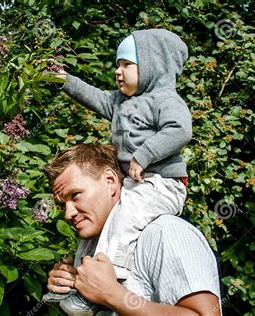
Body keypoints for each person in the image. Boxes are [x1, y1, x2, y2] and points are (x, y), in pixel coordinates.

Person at [53, 28, 192, 281]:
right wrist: (64, 79)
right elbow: (93, 95)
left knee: (126, 220)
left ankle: (111, 278)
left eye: (127, 64)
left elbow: (180, 130)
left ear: (153, 67)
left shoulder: (164, 99)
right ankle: (81, 278)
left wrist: (144, 155)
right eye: (118, 65)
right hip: (134, 183)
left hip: (162, 183)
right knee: (103, 224)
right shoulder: (120, 101)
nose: (118, 71)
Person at [44, 144, 221, 315]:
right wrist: (69, 284)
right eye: (62, 205)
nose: (68, 214)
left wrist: (112, 294)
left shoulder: (165, 232)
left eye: (75, 195)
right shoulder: (95, 246)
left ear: (110, 181)